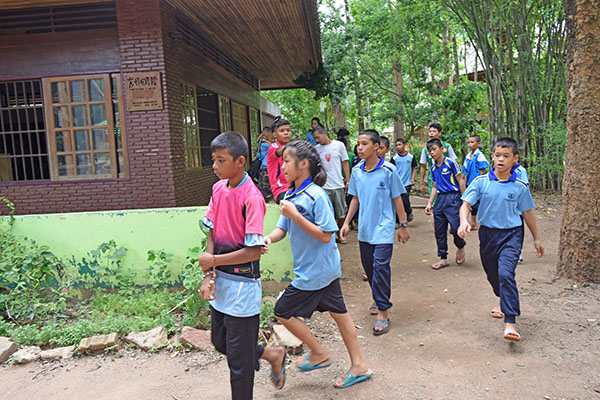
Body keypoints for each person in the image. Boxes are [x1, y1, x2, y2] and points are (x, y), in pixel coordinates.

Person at [263, 140, 372, 389]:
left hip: (316, 272)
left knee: (282, 310)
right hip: (322, 269)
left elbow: (326, 235)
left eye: (287, 161)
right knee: (340, 315)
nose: (283, 167)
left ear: (303, 164)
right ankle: (359, 365)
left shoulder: (316, 195)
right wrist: (268, 237)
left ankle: (318, 352)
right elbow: (283, 228)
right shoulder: (291, 195)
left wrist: (296, 215)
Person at [197, 131, 287, 399]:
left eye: (220, 160)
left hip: (243, 285)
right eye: (213, 159)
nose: (214, 166)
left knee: (238, 364)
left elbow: (252, 253)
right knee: (220, 342)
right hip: (221, 280)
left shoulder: (252, 197)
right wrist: (208, 274)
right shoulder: (217, 189)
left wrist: (213, 261)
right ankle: (272, 354)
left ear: (240, 161)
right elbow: (212, 232)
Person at [458, 137, 544, 342]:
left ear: (515, 159)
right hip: (488, 235)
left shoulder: (520, 187)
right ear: (492, 157)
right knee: (493, 275)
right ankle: (502, 296)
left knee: (506, 273)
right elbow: (465, 205)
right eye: (497, 155)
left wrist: (537, 239)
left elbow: (528, 213)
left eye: (506, 156)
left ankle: (510, 323)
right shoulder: (481, 182)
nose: (500, 160)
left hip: (512, 234)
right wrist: (463, 222)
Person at [340, 129, 410, 335]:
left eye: (364, 144)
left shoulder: (389, 170)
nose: (359, 148)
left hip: (384, 229)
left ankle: (383, 311)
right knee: (369, 269)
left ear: (376, 147)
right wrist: (346, 222)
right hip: (364, 230)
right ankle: (377, 295)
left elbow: (398, 199)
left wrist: (403, 225)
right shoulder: (358, 171)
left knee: (380, 267)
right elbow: (355, 198)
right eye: (358, 144)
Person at [424, 138, 467, 270]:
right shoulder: (433, 168)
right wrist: (430, 203)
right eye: (429, 151)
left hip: (453, 198)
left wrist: (466, 201)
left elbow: (461, 181)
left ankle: (460, 246)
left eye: (434, 149)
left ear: (442, 149)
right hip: (440, 200)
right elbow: (435, 187)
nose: (432, 153)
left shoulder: (451, 163)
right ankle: (443, 258)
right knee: (439, 230)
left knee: (455, 228)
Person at [313, 125, 350, 243]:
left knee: (341, 214)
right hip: (323, 186)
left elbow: (345, 163)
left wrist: (348, 180)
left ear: (324, 133)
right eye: (315, 138)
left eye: (318, 137)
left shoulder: (339, 145)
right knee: (327, 213)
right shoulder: (316, 149)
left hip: (338, 184)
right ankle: (330, 237)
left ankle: (340, 234)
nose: (317, 140)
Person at [419, 123, 457, 194]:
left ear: (439, 133)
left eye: (434, 131)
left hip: (447, 178)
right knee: (434, 201)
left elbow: (454, 163)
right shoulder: (425, 150)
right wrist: (421, 183)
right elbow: (423, 166)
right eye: (430, 131)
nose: (431, 133)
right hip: (433, 179)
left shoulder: (447, 146)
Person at [462, 135, 489, 229]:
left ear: (478, 144)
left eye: (472, 142)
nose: (470, 144)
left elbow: (482, 171)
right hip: (469, 183)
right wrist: (464, 185)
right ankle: (470, 222)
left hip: (478, 183)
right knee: (469, 202)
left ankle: (474, 223)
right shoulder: (467, 156)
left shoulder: (480, 156)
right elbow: (465, 172)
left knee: (476, 204)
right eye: (468, 142)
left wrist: (480, 184)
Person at [391, 138, 417, 223]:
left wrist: (412, 178)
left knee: (404, 199)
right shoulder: (394, 158)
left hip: (407, 183)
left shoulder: (411, 157)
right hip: (397, 183)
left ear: (404, 145)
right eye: (396, 145)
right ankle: (398, 221)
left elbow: (414, 168)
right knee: (398, 201)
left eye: (400, 145)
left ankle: (409, 211)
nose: (398, 147)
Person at [267, 117, 292, 204]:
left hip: (294, 187)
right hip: (281, 190)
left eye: (288, 130)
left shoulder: (291, 148)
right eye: (282, 131)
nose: (286, 133)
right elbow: (280, 151)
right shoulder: (273, 147)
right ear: (274, 134)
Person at [257, 126, 274, 202]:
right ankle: (269, 198)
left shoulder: (260, 144)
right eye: (272, 139)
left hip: (265, 167)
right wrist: (268, 142)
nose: (273, 140)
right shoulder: (266, 145)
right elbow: (273, 147)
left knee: (264, 183)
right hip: (265, 166)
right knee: (265, 184)